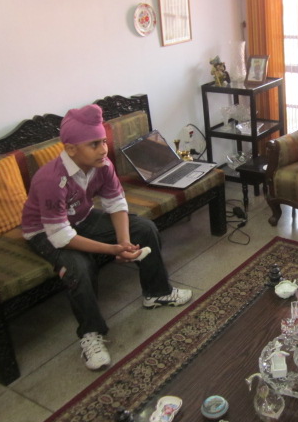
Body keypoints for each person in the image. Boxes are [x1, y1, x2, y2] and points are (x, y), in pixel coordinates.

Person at [22, 104, 192, 371]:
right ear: (71, 149)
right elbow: (61, 236)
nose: (103, 149)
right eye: (94, 144)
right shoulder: (51, 179)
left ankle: (157, 293)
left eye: (103, 141)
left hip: (82, 218)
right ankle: (91, 333)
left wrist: (123, 242)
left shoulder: (102, 164)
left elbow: (116, 203)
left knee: (144, 228)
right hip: (46, 232)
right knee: (79, 267)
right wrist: (113, 250)